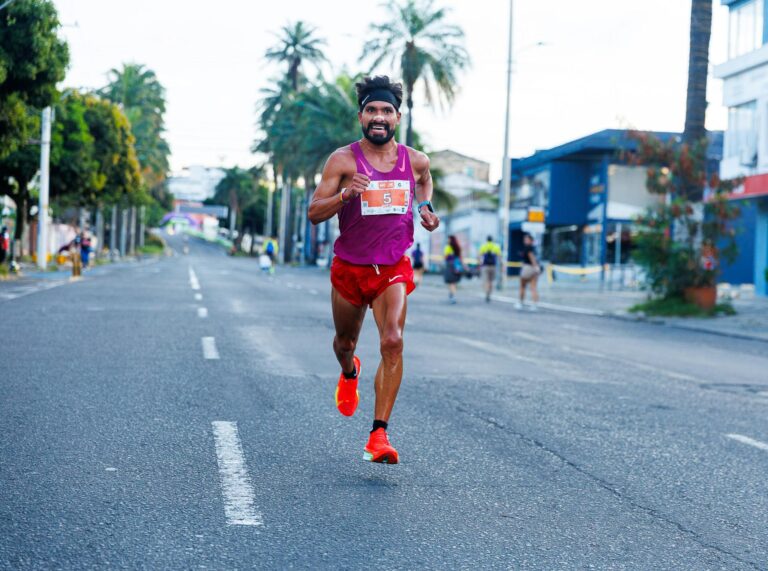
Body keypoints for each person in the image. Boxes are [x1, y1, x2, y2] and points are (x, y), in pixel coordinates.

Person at [308, 75, 440, 464]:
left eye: (386, 110)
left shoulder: (416, 160)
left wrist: (425, 208)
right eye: (371, 110)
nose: (378, 117)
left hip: (392, 266)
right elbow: (314, 212)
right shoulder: (343, 161)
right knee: (344, 343)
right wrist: (346, 194)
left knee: (393, 340)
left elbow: (425, 183)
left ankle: (378, 436)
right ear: (361, 116)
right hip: (350, 267)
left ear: (397, 117)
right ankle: (350, 373)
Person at [517, 233, 542, 310]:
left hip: (527, 268)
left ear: (531, 241)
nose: (525, 241)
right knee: (533, 287)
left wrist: (535, 266)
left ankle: (520, 303)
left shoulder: (528, 248)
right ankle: (534, 304)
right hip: (534, 268)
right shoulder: (535, 248)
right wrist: (537, 268)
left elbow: (532, 258)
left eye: (527, 239)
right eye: (525, 239)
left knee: (522, 286)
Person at [478, 235, 501, 303]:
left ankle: (487, 293)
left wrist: (480, 263)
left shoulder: (483, 246)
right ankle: (489, 293)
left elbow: (479, 256)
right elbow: (499, 257)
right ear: (492, 240)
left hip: (485, 266)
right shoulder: (496, 246)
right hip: (493, 266)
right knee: (491, 281)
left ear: (487, 240)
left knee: (486, 281)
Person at [443, 235, 463, 304]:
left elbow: (445, 257)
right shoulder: (458, 247)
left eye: (448, 239)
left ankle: (452, 295)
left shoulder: (448, 247)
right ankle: (452, 295)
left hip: (450, 266)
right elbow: (460, 257)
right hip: (457, 266)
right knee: (454, 282)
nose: (447, 240)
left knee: (450, 282)